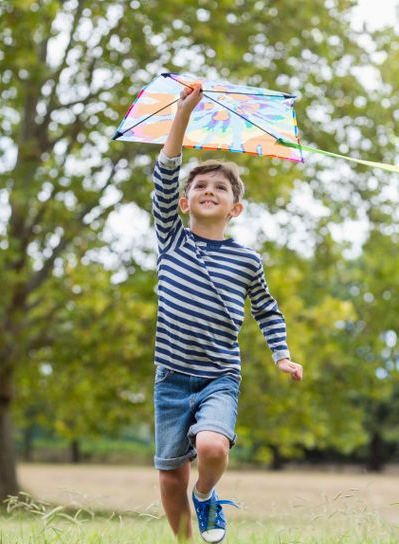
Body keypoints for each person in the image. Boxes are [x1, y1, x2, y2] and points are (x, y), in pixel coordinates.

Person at [152, 81, 303, 543]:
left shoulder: (246, 260)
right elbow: (165, 169)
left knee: (213, 447)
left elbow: (267, 310)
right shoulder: (171, 239)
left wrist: (281, 354)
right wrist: (183, 112)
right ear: (183, 202)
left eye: (220, 187)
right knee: (169, 477)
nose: (209, 190)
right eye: (199, 186)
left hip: (220, 375)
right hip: (171, 376)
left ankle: (207, 496)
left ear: (235, 208)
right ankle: (185, 541)